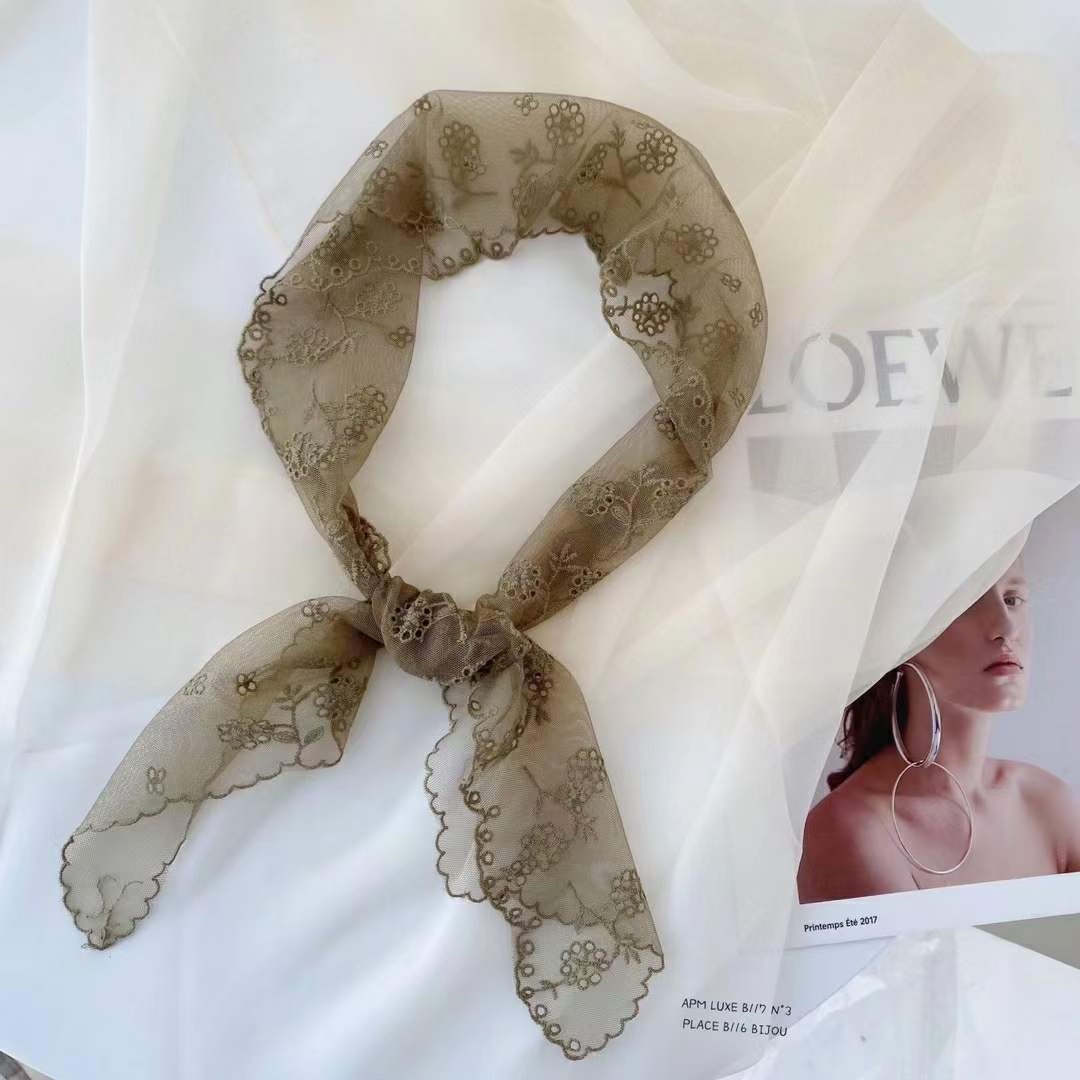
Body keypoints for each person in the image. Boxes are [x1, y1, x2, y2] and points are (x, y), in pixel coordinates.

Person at [797, 553, 1080, 903]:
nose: (1006, 628)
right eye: (967, 601)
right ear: (905, 635)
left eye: (1012, 599)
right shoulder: (851, 830)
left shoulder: (1047, 803)